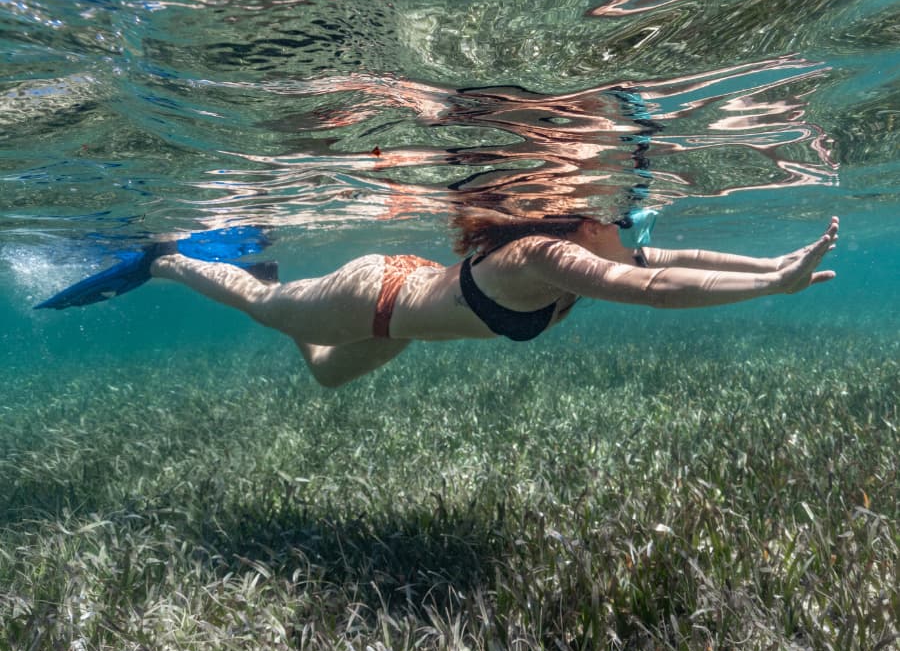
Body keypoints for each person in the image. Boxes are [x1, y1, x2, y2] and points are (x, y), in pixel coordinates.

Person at [135, 211, 839, 387]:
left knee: (325, 373)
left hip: (402, 320)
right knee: (264, 309)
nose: (632, 229)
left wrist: (773, 262)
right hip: (371, 295)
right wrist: (771, 289)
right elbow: (653, 289)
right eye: (620, 217)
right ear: (580, 216)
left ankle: (270, 284)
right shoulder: (547, 255)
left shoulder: (594, 245)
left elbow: (672, 259)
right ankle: (167, 259)